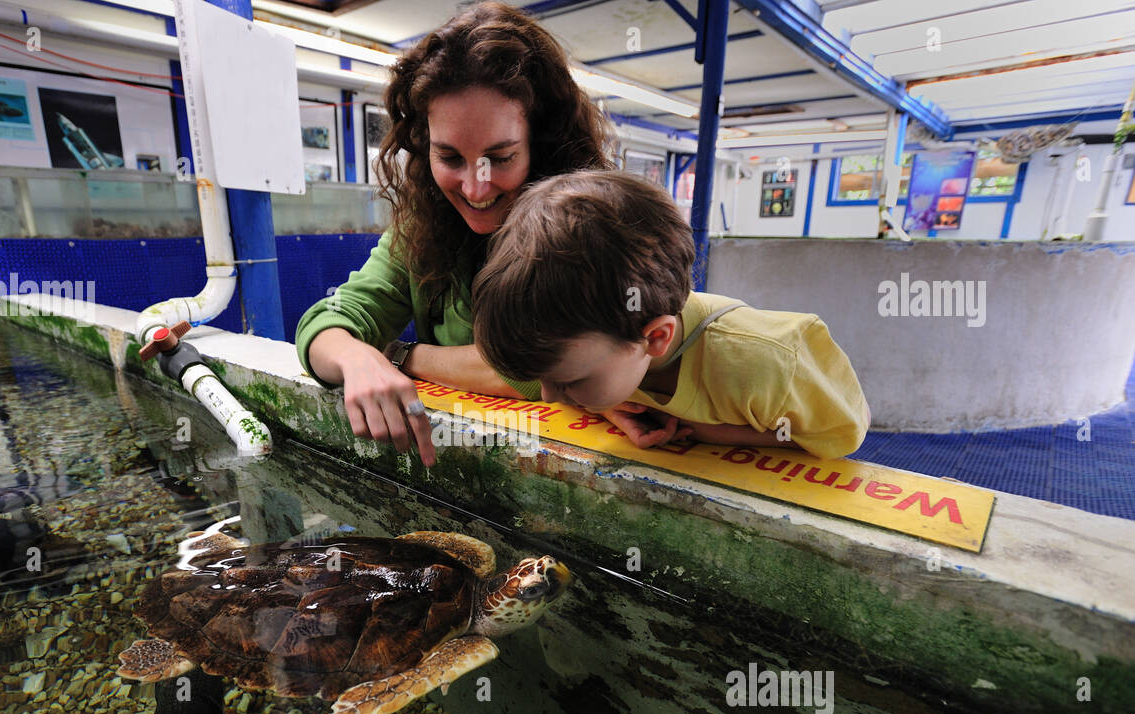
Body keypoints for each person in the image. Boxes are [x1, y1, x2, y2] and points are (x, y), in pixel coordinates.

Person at [294, 1, 615, 467]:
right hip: (464, 463)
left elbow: (542, 370)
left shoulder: (590, 230)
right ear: (425, 149)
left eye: (500, 157)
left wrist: (400, 354)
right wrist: (355, 358)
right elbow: (326, 321)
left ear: (542, 144)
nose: (474, 187)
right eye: (450, 158)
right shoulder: (420, 228)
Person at [472, 169, 871, 460]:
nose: (550, 398)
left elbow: (843, 432)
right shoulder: (607, 346)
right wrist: (609, 405)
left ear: (656, 338)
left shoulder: (770, 363)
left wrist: (711, 432)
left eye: (570, 381)